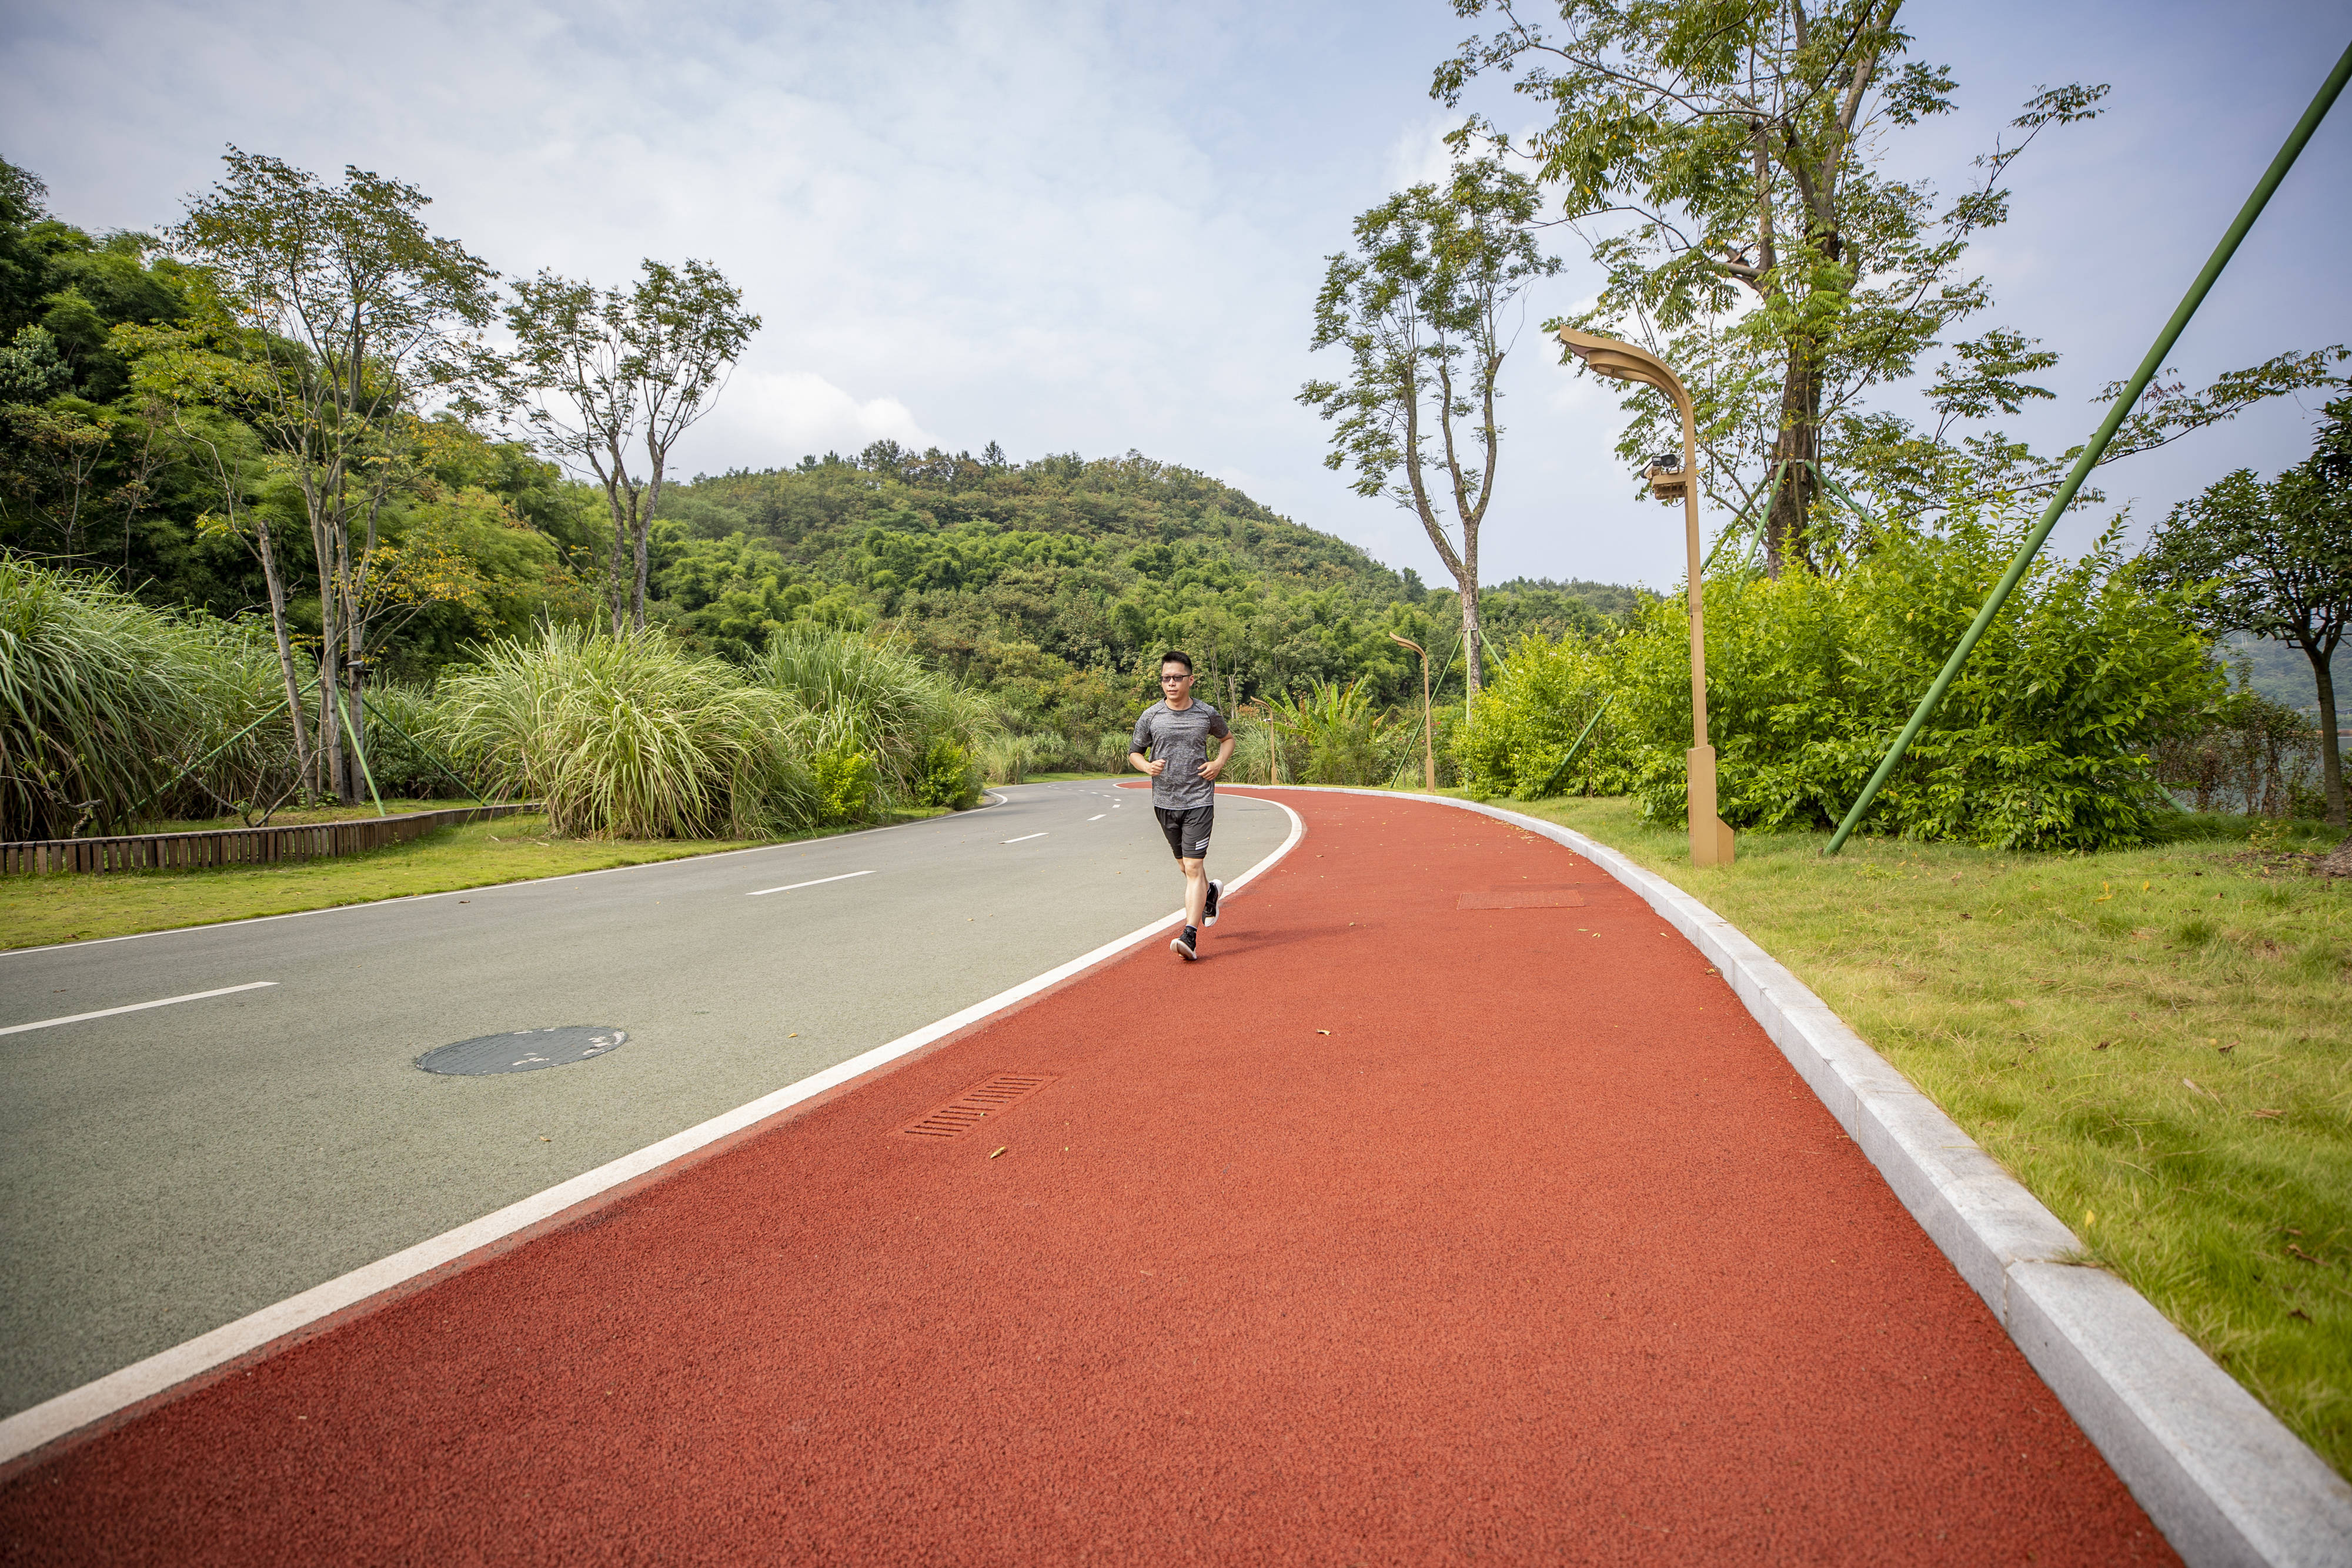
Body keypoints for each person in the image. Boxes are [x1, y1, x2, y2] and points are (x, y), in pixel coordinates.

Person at [1130, 650, 1234, 961]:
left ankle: (1190, 934)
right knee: (1185, 867)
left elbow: (1227, 739)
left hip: (1199, 799)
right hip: (1164, 801)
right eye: (1166, 678)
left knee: (1193, 866)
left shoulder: (1206, 713)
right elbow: (1134, 753)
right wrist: (1146, 766)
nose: (1171, 683)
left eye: (1177, 678)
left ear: (1190, 679)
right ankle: (1210, 894)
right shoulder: (1151, 716)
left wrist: (1218, 762)